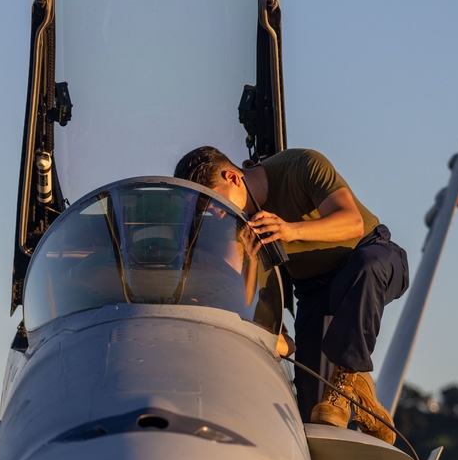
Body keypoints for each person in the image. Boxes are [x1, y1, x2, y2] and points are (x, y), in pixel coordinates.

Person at [173, 146, 408, 443]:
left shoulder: (301, 165)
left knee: (366, 266)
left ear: (232, 177)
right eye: (207, 211)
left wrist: (290, 230)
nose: (218, 214)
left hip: (373, 255)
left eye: (216, 203)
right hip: (316, 290)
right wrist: (251, 262)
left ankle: (347, 376)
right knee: (315, 421)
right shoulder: (236, 223)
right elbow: (244, 297)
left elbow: (353, 222)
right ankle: (358, 392)